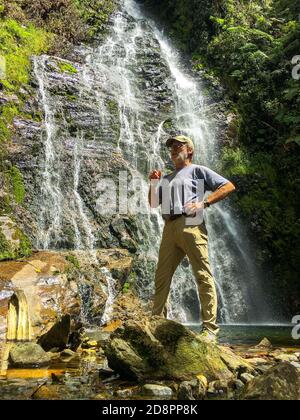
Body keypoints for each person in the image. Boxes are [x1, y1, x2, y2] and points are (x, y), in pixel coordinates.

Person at [148, 135, 236, 342]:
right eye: (171, 147)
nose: (173, 149)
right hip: (169, 227)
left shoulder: (198, 170)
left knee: (203, 275)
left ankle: (209, 329)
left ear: (189, 151)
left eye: (178, 146)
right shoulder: (167, 178)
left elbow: (228, 186)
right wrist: (153, 183)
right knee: (162, 277)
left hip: (191, 222)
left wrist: (204, 203)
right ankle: (156, 322)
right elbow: (153, 203)